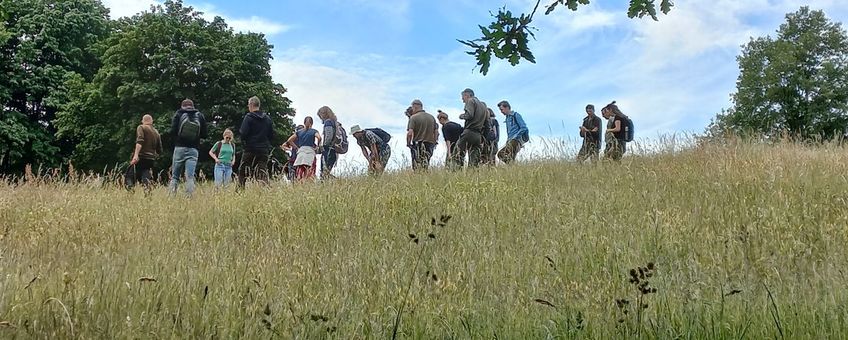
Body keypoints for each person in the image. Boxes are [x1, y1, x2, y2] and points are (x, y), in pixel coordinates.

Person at [169, 99, 207, 197]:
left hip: (179, 148)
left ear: (182, 106)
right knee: (190, 176)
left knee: (175, 176)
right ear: (193, 106)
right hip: (193, 149)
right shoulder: (199, 116)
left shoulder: (178, 114)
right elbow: (204, 134)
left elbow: (172, 131)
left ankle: (171, 197)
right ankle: (189, 197)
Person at [238, 96, 274, 188]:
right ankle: (266, 191)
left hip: (250, 148)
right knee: (262, 171)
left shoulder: (248, 117)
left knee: (243, 171)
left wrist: (244, 143)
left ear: (251, 105)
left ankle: (240, 191)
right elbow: (271, 135)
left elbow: (243, 133)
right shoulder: (267, 119)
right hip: (263, 150)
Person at [454, 88, 489, 168]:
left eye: (463, 98)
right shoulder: (483, 106)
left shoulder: (470, 101)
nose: (463, 100)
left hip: (469, 132)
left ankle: (456, 175)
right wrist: (483, 138)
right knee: (474, 161)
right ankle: (473, 176)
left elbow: (469, 115)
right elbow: (487, 124)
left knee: (457, 154)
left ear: (467, 95)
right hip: (478, 136)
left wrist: (462, 116)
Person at [130, 114, 162, 193]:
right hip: (150, 159)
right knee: (146, 175)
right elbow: (160, 150)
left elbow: (140, 141)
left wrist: (136, 155)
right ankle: (147, 193)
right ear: (152, 122)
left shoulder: (141, 127)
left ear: (142, 121)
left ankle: (130, 193)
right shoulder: (156, 132)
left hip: (141, 156)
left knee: (130, 176)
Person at [285, 116, 321, 182]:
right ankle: (308, 184)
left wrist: (296, 147)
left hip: (301, 152)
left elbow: (289, 140)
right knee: (310, 171)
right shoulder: (314, 131)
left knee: (300, 170)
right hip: (310, 152)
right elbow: (319, 137)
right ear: (312, 123)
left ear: (304, 123)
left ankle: (299, 185)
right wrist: (317, 146)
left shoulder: (299, 132)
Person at [406, 99, 438, 171]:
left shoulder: (413, 118)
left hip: (417, 143)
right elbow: (436, 132)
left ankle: (417, 179)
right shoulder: (431, 117)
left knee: (416, 165)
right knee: (425, 164)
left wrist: (408, 143)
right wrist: (435, 141)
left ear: (414, 107)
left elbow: (410, 133)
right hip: (429, 144)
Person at [317, 106, 339, 179]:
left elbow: (329, 136)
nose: (320, 117)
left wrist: (324, 146)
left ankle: (338, 183)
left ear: (324, 114)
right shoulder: (334, 122)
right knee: (326, 172)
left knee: (324, 173)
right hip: (334, 150)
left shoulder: (328, 122)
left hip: (328, 150)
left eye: (320, 115)